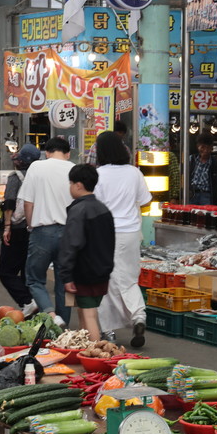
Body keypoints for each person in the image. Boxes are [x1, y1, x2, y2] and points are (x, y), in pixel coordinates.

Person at [93, 131, 151, 346]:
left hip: (106, 233)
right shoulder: (134, 172)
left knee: (105, 280)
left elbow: (94, 206)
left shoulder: (99, 174)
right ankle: (138, 316)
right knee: (128, 278)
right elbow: (145, 200)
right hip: (132, 233)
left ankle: (108, 330)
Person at [19, 136, 75, 326]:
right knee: (65, 283)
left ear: (47, 152)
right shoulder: (74, 169)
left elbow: (28, 201)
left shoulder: (36, 167)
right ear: (67, 154)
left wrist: (30, 225)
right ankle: (64, 325)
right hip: (69, 234)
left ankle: (51, 315)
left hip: (42, 231)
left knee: (34, 279)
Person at [57, 164, 114, 341]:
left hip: (84, 271)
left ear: (78, 185)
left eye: (71, 183)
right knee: (85, 311)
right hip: (102, 270)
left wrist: (66, 275)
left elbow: (71, 244)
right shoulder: (104, 209)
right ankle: (85, 349)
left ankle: (96, 352)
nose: (70, 187)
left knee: (88, 314)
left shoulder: (78, 210)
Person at [0, 143, 41, 315]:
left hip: (16, 229)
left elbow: (9, 203)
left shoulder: (15, 177)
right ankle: (31, 311)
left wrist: (7, 226)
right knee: (26, 272)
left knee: (5, 271)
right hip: (33, 229)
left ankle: (27, 301)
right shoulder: (38, 177)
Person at [188, 132, 217, 205]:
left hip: (207, 196)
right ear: (198, 146)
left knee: (206, 215)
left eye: (208, 148)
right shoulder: (191, 160)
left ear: (211, 148)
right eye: (203, 147)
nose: (205, 150)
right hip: (192, 194)